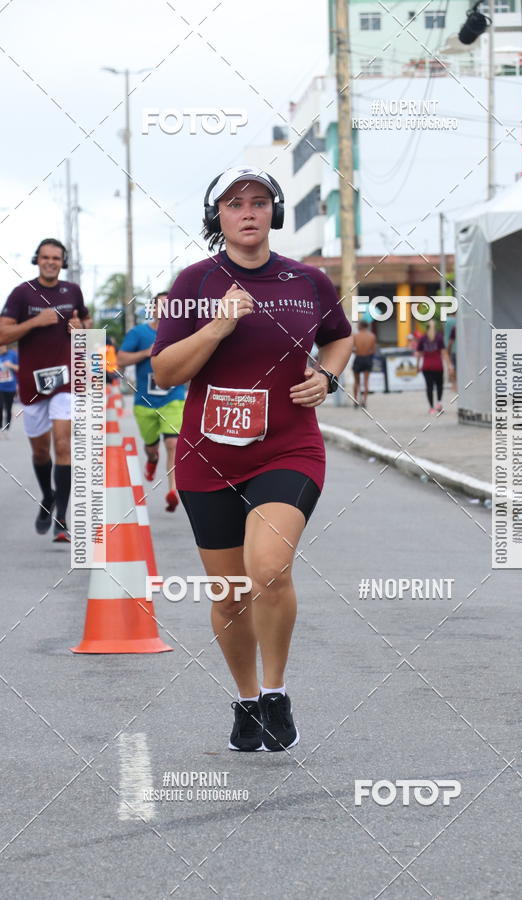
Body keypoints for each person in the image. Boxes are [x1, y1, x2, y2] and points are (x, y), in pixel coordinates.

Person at [151, 166, 353, 752]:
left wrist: (327, 375)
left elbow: (340, 336)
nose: (248, 211)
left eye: (260, 202)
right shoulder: (193, 283)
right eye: (235, 203)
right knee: (231, 592)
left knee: (268, 568)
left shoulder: (307, 281)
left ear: (275, 213)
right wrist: (217, 327)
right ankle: (243, 701)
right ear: (218, 216)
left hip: (289, 447)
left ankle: (275, 692)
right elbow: (165, 371)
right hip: (207, 457)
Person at [0, 239, 90, 541]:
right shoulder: (22, 293)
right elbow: (2, 334)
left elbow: (87, 325)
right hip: (31, 383)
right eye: (45, 257)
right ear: (37, 259)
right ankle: (48, 496)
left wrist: (81, 328)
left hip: (65, 380)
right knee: (40, 451)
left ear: (62, 261)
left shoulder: (72, 291)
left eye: (56, 257)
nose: (51, 261)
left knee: (63, 444)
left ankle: (62, 518)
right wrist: (35, 322)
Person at [117, 292, 184, 513]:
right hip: (144, 402)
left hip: (172, 399)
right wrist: (147, 352)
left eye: (170, 307)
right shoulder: (139, 333)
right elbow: (120, 359)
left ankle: (172, 490)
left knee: (173, 444)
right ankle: (152, 459)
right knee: (152, 447)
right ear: (153, 309)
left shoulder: (183, 334)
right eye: (161, 307)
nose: (165, 311)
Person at [415, 320, 453, 414]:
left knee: (429, 387)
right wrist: (449, 366)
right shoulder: (439, 338)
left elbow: (419, 354)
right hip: (438, 366)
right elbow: (444, 353)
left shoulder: (423, 339)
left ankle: (431, 408)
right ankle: (439, 404)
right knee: (439, 385)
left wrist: (417, 365)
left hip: (426, 366)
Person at [352, 320, 377, 408]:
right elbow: (373, 350)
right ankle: (365, 401)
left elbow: (352, 348)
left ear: (361, 326)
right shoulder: (372, 336)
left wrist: (357, 350)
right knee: (366, 382)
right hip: (367, 359)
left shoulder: (355, 336)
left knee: (356, 382)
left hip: (358, 358)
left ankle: (355, 401)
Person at [0, 344, 18, 437]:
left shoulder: (12, 355)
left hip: (10, 387)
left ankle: (6, 428)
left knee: (8, 409)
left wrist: (10, 365)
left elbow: (19, 368)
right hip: (0, 387)